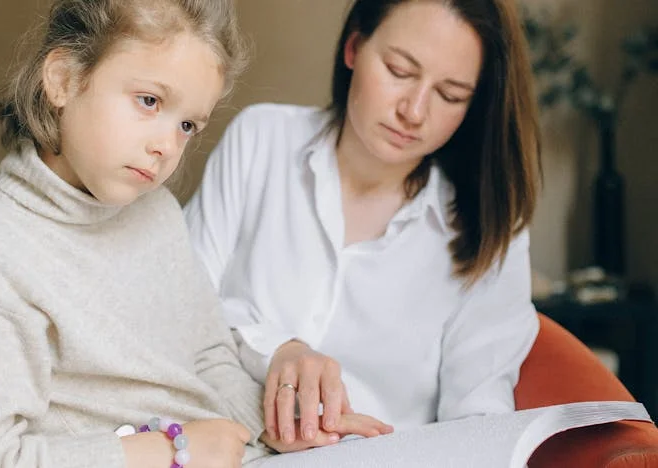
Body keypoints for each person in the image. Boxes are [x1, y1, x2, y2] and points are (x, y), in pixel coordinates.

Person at [0, 1, 349, 466]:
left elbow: (208, 358)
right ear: (63, 79)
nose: (165, 146)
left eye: (186, 125)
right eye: (149, 101)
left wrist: (278, 429)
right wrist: (172, 450)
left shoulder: (155, 211)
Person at [184, 0, 542, 448]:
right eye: (398, 70)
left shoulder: (492, 225)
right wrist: (277, 351)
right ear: (354, 47)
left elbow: (477, 415)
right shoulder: (261, 141)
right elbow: (181, 309)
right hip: (225, 445)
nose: (414, 111)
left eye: (450, 95)